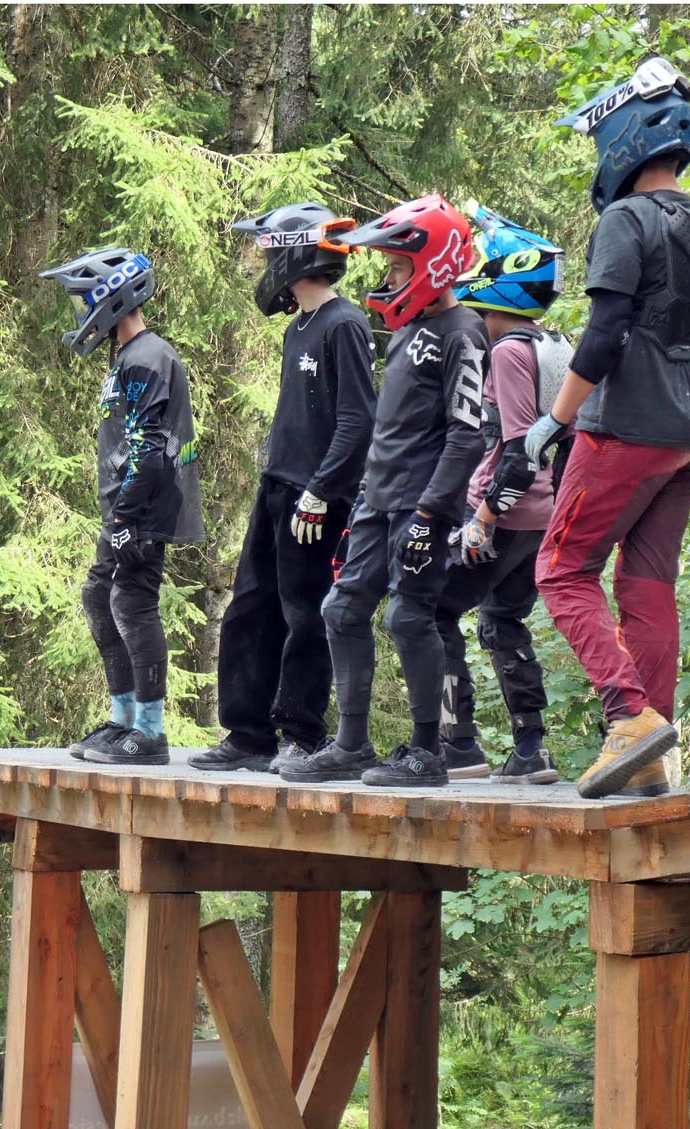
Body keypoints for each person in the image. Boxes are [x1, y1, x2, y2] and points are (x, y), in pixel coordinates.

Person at [525, 58, 690, 798]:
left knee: (563, 569)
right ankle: (658, 747)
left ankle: (628, 716)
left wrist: (554, 419)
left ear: (623, 138)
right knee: (648, 580)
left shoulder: (625, 219)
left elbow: (604, 333)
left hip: (625, 426)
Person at [280, 194, 490, 787]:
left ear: (434, 264)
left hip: (422, 505)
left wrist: (431, 513)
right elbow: (387, 427)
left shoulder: (464, 332)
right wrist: (366, 494)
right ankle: (351, 745)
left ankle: (429, 752)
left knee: (407, 617)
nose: (389, 278)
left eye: (398, 267)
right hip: (377, 498)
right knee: (340, 609)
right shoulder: (406, 331)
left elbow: (466, 435)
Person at [193, 203, 376, 774]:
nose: (267, 264)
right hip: (278, 488)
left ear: (298, 252)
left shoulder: (344, 323)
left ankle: (301, 733)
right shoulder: (299, 327)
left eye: (273, 251)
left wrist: (322, 490)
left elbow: (356, 419)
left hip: (316, 497)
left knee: (305, 614)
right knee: (250, 607)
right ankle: (249, 734)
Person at [40, 247, 203, 766]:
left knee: (132, 604)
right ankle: (122, 718)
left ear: (109, 299)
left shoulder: (149, 357)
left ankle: (150, 734)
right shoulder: (127, 358)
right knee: (98, 596)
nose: (79, 314)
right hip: (123, 508)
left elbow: (151, 451)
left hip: (144, 510)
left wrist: (130, 519)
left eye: (82, 301)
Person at [435, 203, 572, 784]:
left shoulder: (511, 352)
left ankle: (456, 744)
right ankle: (531, 750)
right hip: (544, 514)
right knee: (500, 620)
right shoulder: (558, 345)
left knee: (431, 611)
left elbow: (520, 450)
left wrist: (483, 517)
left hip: (504, 510)